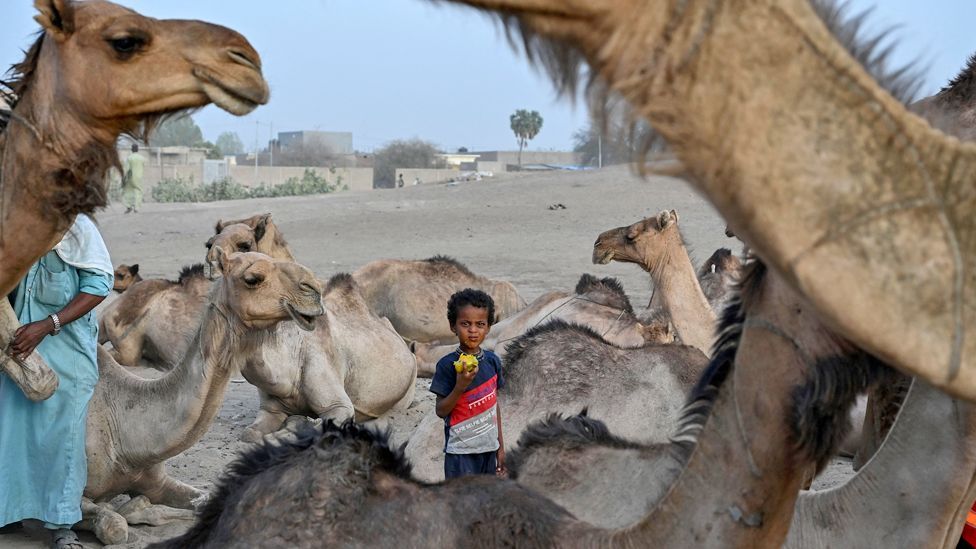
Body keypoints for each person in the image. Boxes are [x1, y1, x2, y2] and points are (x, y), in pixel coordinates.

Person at [0, 214, 113, 549]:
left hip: (67, 356)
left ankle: (62, 524)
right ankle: (9, 512)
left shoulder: (79, 231)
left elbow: (98, 287)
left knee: (62, 440)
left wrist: (48, 324)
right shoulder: (18, 224)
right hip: (17, 355)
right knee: (11, 434)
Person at [429, 289, 507, 479]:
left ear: (488, 327)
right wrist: (460, 386)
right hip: (460, 453)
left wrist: (500, 447)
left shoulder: (492, 361)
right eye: (465, 324)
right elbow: (441, 411)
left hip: (489, 449)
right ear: (453, 326)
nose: (473, 330)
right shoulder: (447, 365)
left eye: (480, 324)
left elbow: (493, 404)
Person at [122, 144, 145, 213]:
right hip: (139, 177)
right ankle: (136, 208)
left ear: (131, 149)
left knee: (128, 191)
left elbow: (127, 169)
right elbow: (143, 167)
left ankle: (129, 206)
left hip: (130, 177)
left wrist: (124, 178)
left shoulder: (129, 158)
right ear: (138, 149)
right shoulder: (142, 158)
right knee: (139, 191)